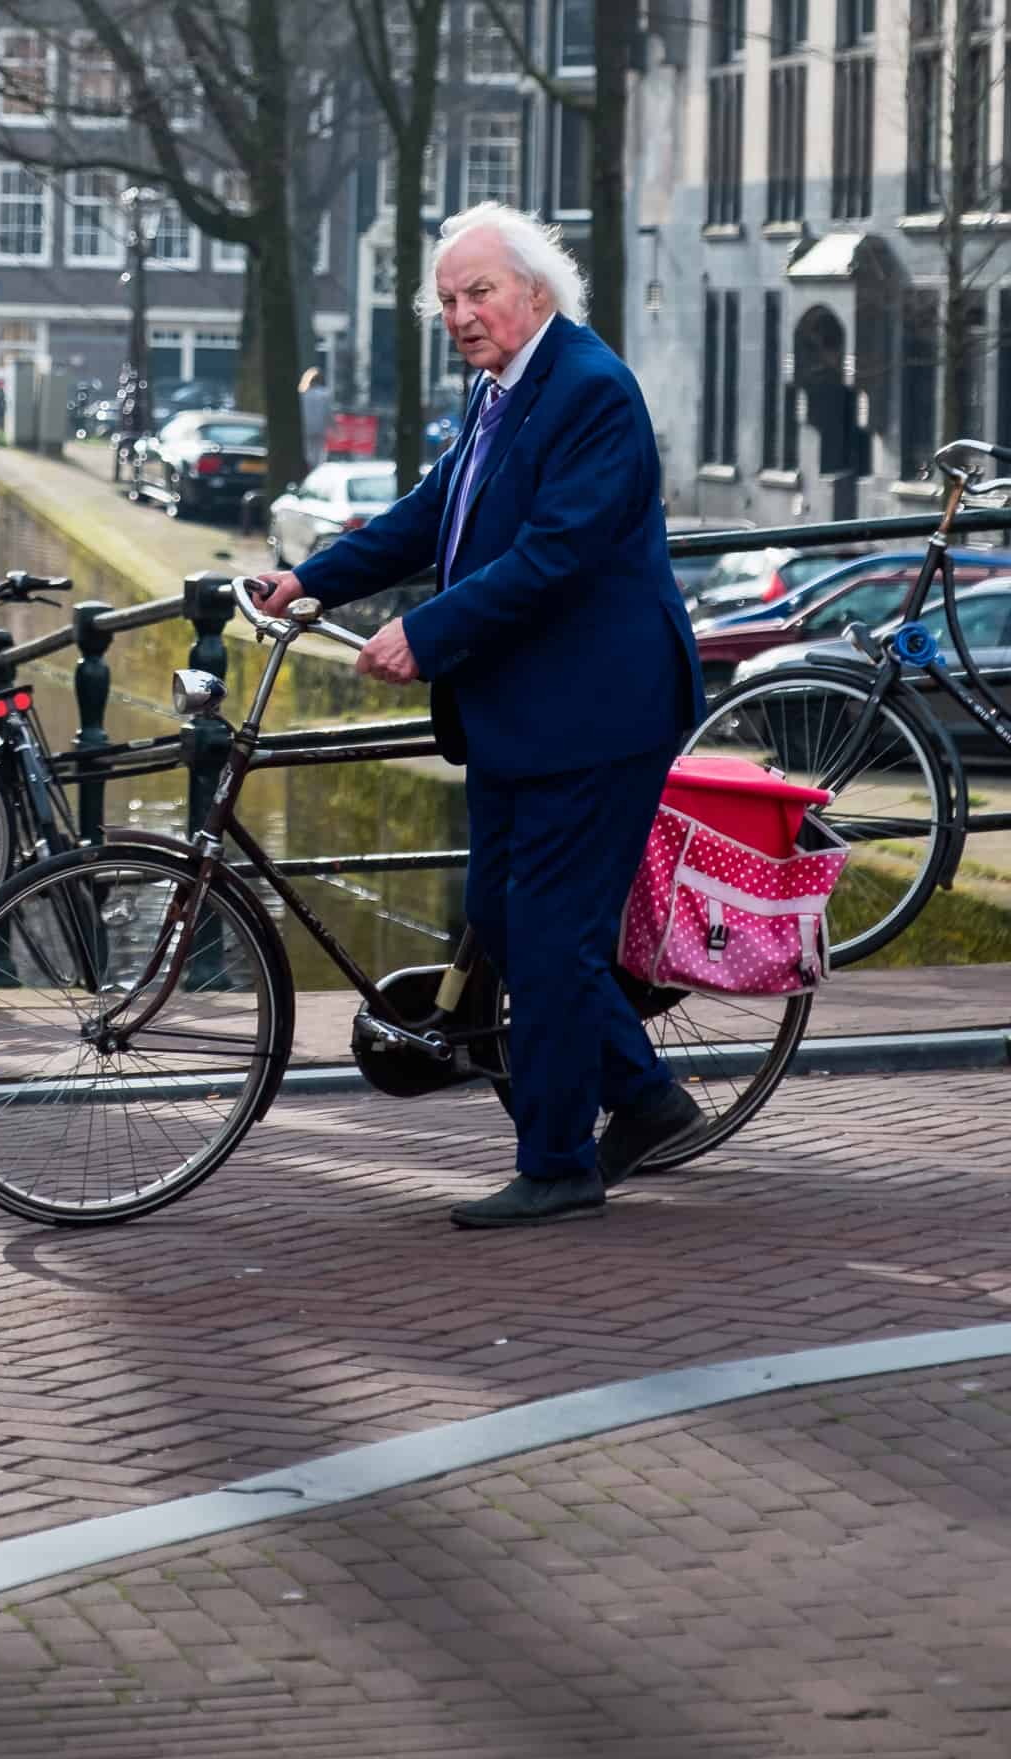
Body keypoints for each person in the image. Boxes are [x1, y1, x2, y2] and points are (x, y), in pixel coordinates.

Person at [250, 201, 706, 1231]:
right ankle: (643, 1096)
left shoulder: (589, 390)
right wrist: (308, 579)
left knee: (547, 938)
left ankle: (556, 1163)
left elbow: (556, 551)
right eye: (447, 299)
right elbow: (430, 512)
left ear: (534, 292)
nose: (459, 313)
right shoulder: (500, 388)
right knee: (499, 919)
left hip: (596, 710)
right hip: (522, 712)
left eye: (477, 292)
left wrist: (428, 633)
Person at [297, 366, 333, 468]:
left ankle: (308, 468)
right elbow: (328, 413)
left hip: (306, 428)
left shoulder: (302, 395)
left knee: (308, 452)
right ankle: (316, 469)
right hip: (320, 428)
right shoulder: (325, 394)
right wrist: (333, 428)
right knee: (319, 453)